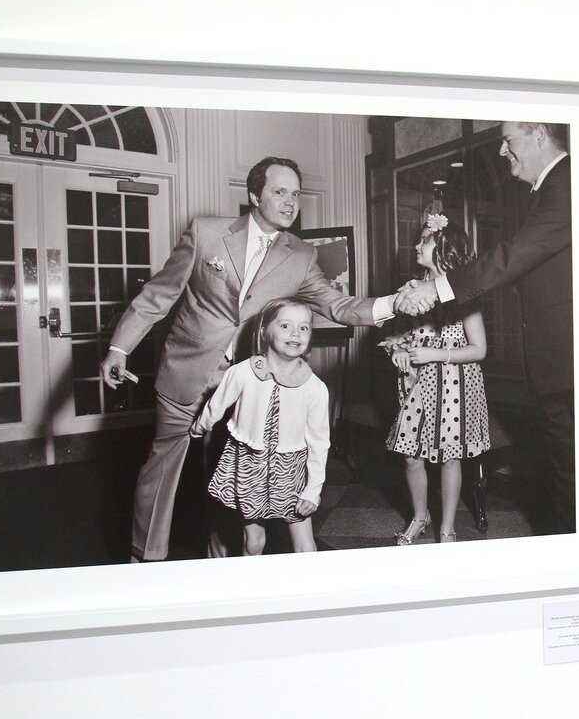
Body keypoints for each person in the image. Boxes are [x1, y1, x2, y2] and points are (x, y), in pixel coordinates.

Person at [101, 156, 400, 562]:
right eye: (280, 192)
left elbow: (338, 305)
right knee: (161, 470)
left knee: (227, 479)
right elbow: (159, 294)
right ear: (255, 195)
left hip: (249, 385)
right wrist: (120, 348)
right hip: (186, 371)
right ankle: (145, 558)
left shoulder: (301, 255)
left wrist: (393, 304)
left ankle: (221, 564)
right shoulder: (206, 232)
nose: (291, 202)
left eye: (296, 194)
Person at [393, 122, 574, 534]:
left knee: (572, 471)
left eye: (508, 141)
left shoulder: (568, 183)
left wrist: (440, 289)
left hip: (568, 360)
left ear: (539, 134)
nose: (502, 152)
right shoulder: (544, 191)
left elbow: (514, 256)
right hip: (556, 362)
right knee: (566, 468)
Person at [383, 214, 490, 545]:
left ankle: (447, 527)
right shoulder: (411, 290)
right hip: (418, 383)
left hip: (455, 383)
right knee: (410, 454)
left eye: (425, 240)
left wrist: (435, 354)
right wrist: (398, 350)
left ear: (446, 248)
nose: (417, 244)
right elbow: (399, 336)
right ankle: (420, 517)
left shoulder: (465, 293)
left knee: (449, 456)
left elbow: (479, 349)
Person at [190, 298, 326, 555]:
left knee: (304, 545)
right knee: (253, 542)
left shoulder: (314, 387)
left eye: (304, 327)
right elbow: (215, 406)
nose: (295, 333)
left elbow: (319, 443)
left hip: (291, 467)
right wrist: (198, 428)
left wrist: (313, 490)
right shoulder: (242, 373)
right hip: (249, 462)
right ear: (264, 332)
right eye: (285, 325)